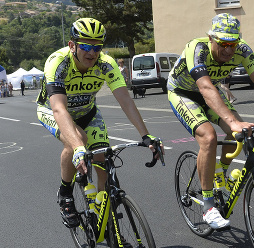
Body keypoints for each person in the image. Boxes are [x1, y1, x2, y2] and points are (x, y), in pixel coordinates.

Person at [36, 18, 163, 228]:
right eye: (85, 46)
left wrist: (145, 135)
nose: (92, 52)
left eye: (97, 47)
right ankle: (65, 191)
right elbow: (59, 108)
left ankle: (102, 212)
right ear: (72, 45)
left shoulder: (106, 63)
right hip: (53, 110)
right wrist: (77, 147)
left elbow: (126, 101)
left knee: (103, 161)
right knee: (78, 139)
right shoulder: (58, 62)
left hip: (88, 112)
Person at [167, 13, 254, 229]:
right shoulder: (197, 48)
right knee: (208, 136)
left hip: (212, 91)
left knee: (239, 132)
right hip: (184, 92)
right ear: (211, 38)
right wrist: (232, 121)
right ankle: (208, 205)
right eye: (223, 43)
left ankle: (220, 173)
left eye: (233, 44)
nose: (229, 50)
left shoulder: (243, 49)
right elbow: (204, 87)